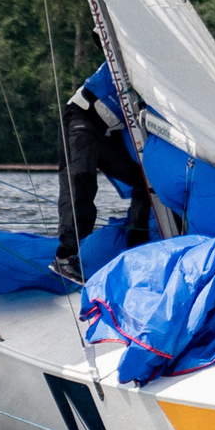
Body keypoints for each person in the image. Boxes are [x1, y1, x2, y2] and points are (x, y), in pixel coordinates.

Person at [54, 64, 152, 282]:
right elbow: (100, 36)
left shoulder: (152, 77)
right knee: (81, 180)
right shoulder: (122, 56)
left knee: (144, 182)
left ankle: (137, 249)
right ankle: (65, 256)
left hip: (106, 134)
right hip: (80, 118)